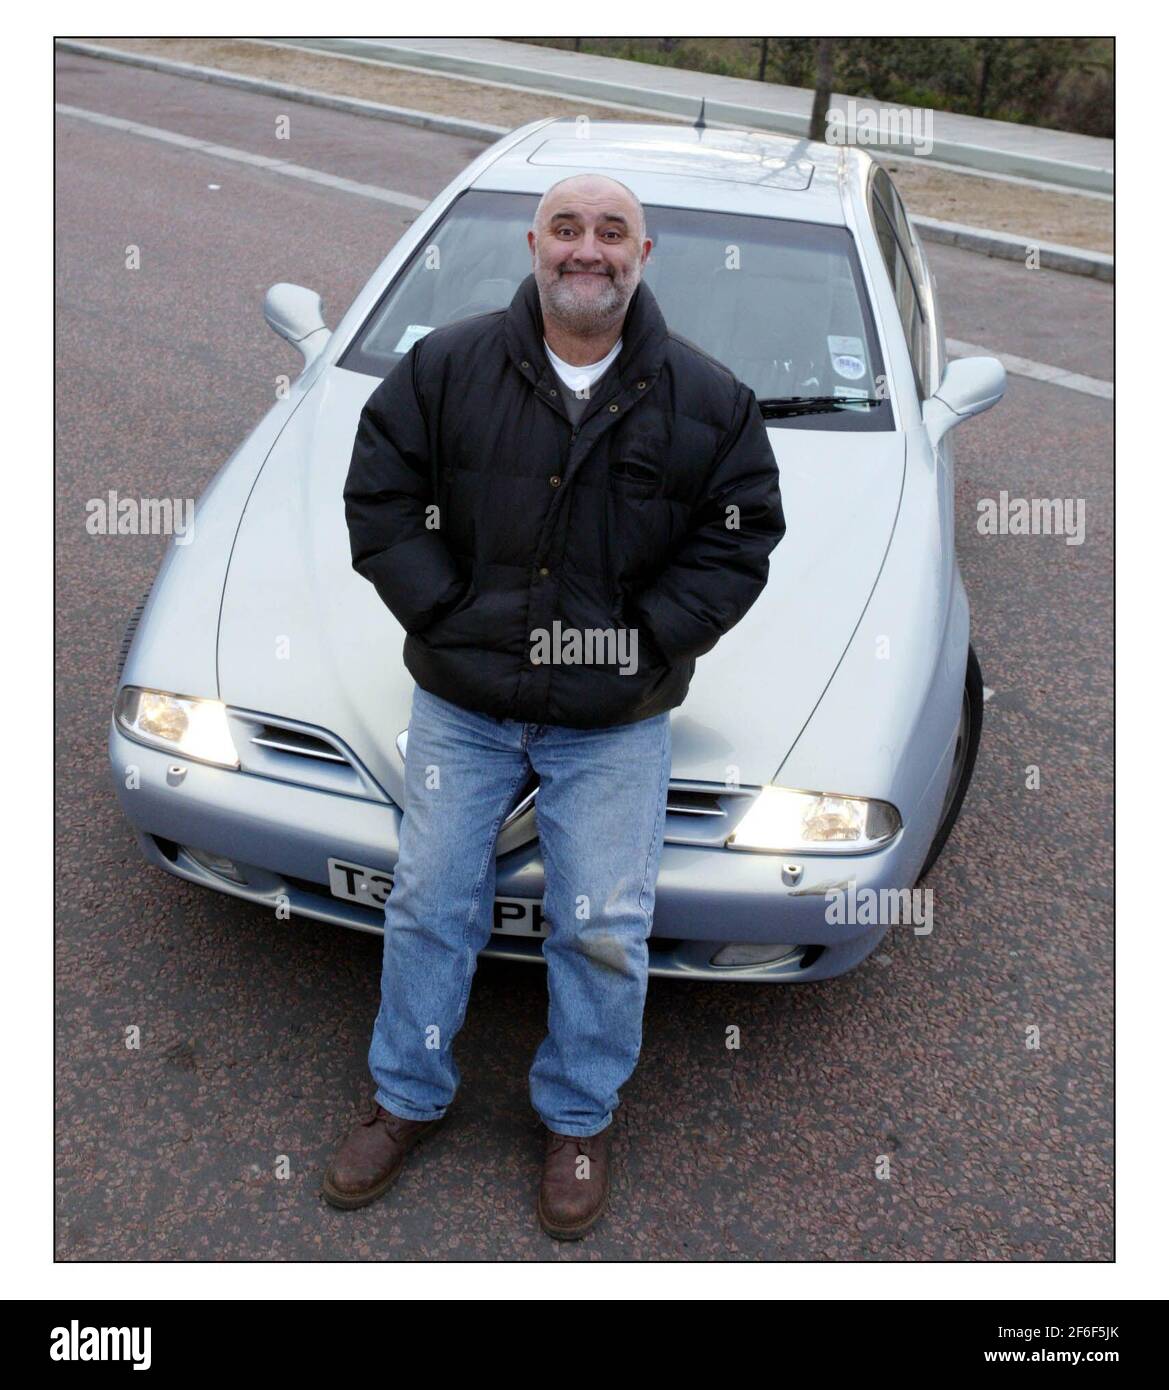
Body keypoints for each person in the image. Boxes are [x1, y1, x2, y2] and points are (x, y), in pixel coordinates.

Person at [328, 172, 785, 1239]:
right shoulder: (444, 366)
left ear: (644, 251)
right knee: (430, 900)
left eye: (610, 232)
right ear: (533, 243)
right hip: (465, 701)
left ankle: (576, 1117)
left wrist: (640, 646)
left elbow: (736, 540)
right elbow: (379, 494)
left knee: (604, 928)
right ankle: (406, 1095)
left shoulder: (708, 400)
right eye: (567, 229)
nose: (588, 250)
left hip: (612, 719)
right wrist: (444, 609)